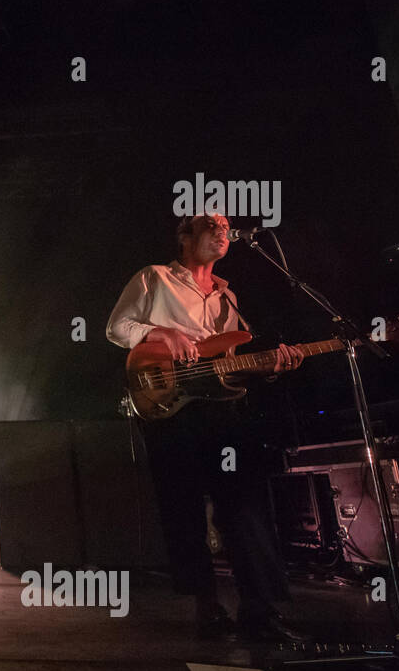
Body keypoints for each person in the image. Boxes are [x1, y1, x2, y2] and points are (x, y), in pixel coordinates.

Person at [106, 213, 310, 643]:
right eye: (211, 226)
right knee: (183, 510)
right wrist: (161, 333)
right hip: (171, 405)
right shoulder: (154, 277)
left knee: (247, 506)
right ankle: (206, 605)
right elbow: (117, 328)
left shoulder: (227, 297)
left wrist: (269, 367)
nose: (223, 232)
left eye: (226, 227)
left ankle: (260, 610)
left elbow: (232, 364)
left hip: (223, 411)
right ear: (186, 237)